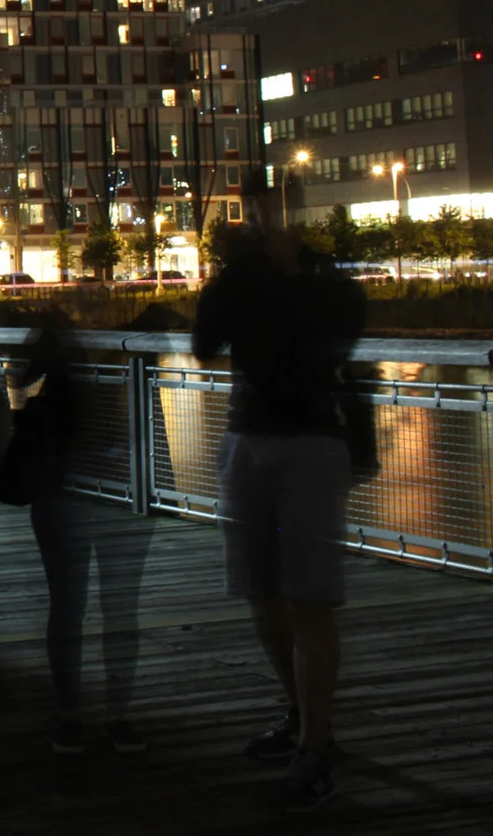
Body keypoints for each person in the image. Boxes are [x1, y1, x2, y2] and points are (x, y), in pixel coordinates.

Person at [194, 178, 367, 814]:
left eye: (275, 214)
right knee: (262, 592)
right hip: (246, 436)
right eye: (259, 216)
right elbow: (205, 343)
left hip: (311, 442)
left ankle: (316, 747)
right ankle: (300, 716)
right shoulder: (243, 281)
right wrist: (244, 276)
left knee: (310, 598)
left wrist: (277, 279)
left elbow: (326, 344)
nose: (266, 225)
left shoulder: (330, 284)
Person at [11, 318, 153, 757]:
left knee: (68, 604)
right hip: (124, 484)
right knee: (120, 605)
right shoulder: (139, 335)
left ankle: (71, 715)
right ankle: (117, 715)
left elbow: (19, 379)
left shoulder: (58, 333)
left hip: (63, 482)